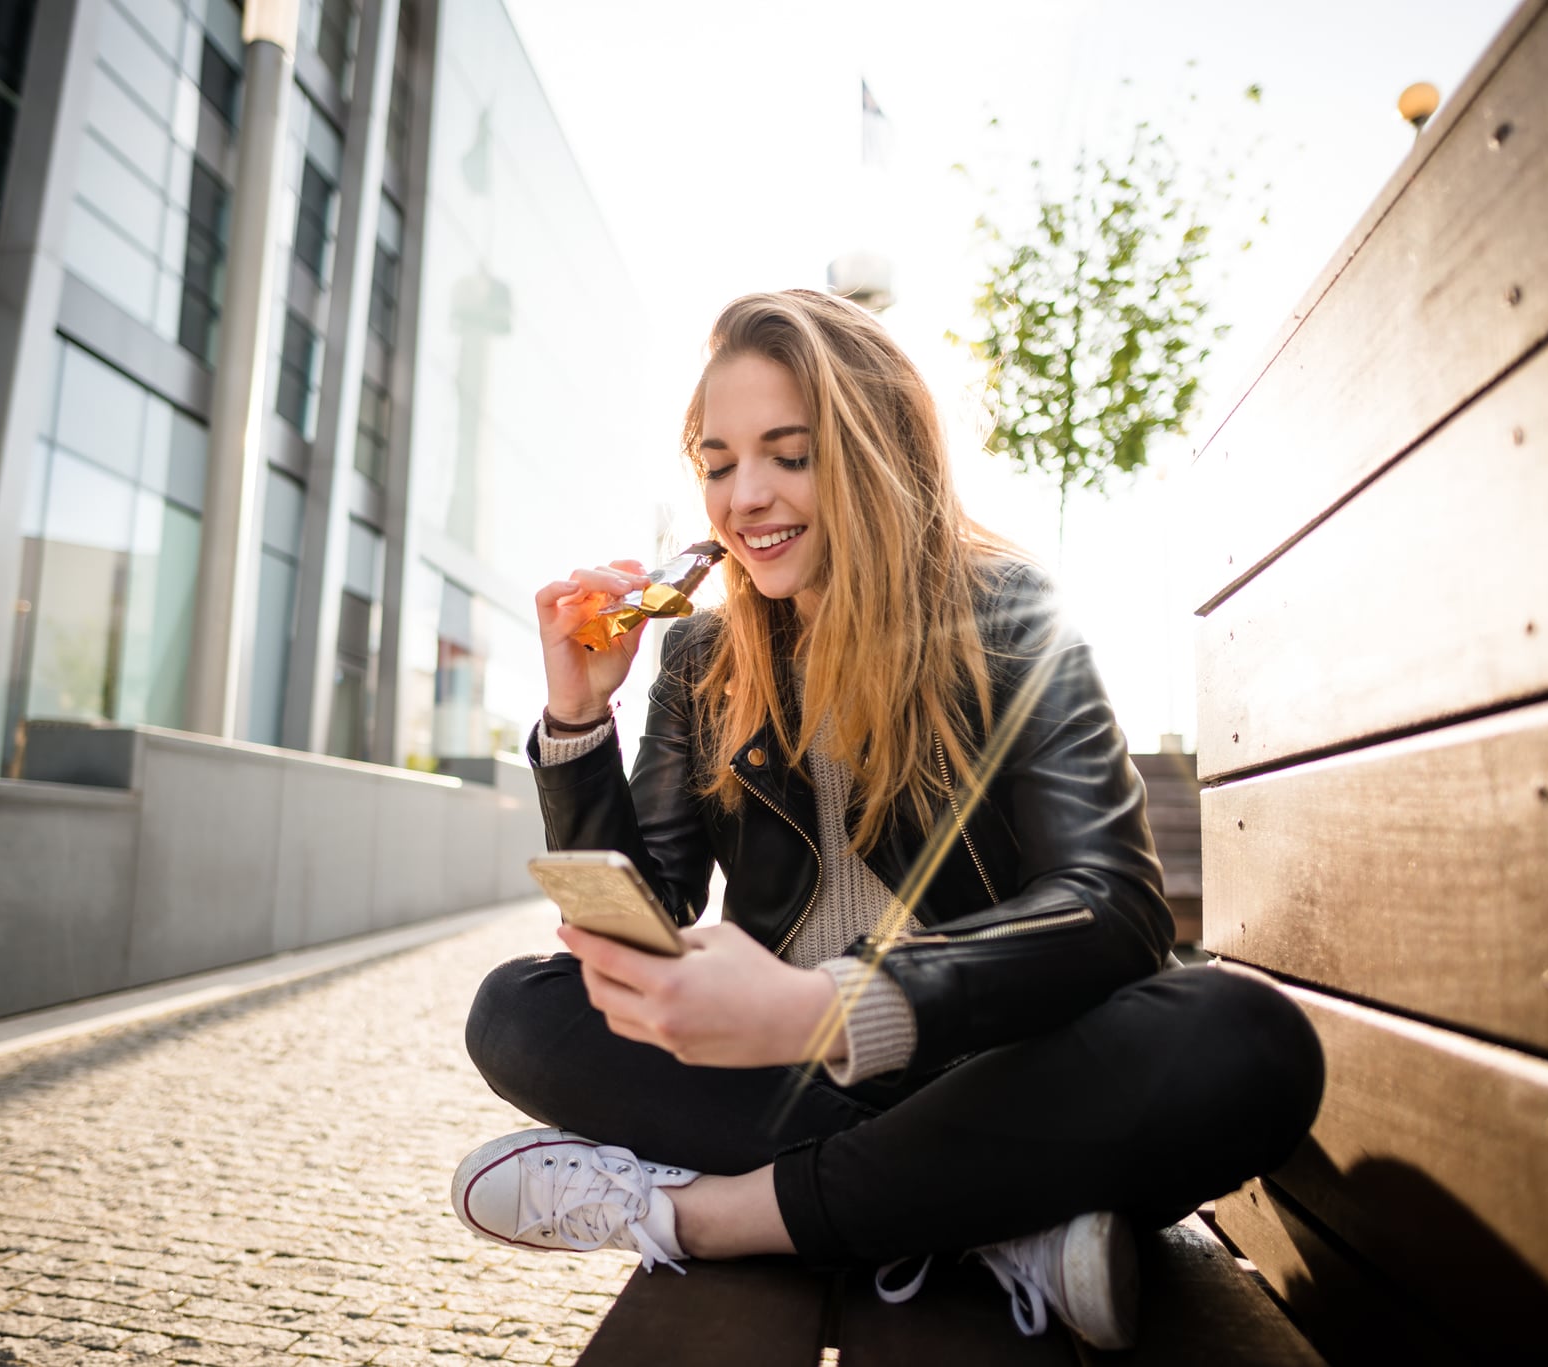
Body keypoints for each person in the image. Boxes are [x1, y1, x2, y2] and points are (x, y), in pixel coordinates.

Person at [452, 289, 1323, 1348]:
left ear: (872, 451)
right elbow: (651, 913)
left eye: (788, 453)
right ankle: (991, 1219)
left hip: (988, 1065)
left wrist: (826, 1006)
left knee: (1245, 1037)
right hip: (794, 1083)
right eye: (718, 461)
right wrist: (578, 717)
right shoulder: (695, 659)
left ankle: (704, 1213)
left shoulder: (1008, 619)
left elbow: (1112, 908)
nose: (745, 496)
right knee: (511, 1007)